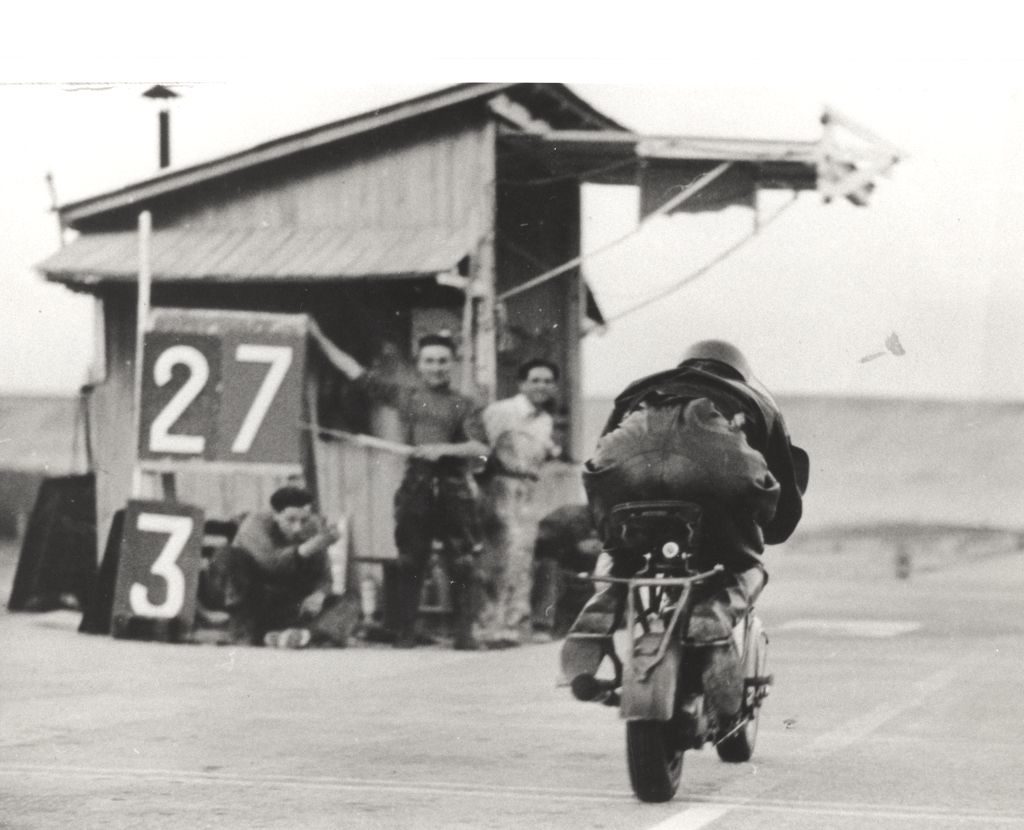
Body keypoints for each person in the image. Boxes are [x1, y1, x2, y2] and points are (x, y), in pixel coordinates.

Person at [560, 340, 809, 718]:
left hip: (627, 479)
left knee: (623, 558)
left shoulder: (639, 388)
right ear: (739, 371)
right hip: (712, 485)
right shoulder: (757, 401)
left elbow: (604, 452)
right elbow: (781, 490)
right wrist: (764, 525)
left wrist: (612, 526)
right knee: (746, 569)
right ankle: (715, 614)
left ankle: (605, 602)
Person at [309, 321, 489, 649]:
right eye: (430, 361)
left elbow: (481, 448)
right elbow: (355, 373)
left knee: (461, 562)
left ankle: (464, 635)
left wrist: (443, 449)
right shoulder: (406, 397)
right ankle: (405, 633)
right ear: (419, 365)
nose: (436, 367)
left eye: (442, 361)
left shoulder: (465, 404)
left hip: (453, 488)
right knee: (410, 560)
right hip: (416, 485)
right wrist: (320, 337)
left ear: (452, 364)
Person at [475, 359, 561, 647]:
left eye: (547, 381)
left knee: (522, 558)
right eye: (535, 380)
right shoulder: (500, 412)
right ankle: (490, 625)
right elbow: (481, 451)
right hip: (499, 488)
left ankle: (513, 625)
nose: (541, 386)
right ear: (522, 383)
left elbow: (536, 454)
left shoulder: (545, 420)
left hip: (528, 492)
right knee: (497, 558)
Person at [204, 485, 348, 648]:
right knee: (227, 556)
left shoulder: (313, 526)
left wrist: (319, 594)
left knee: (349, 599)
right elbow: (272, 562)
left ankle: (303, 636)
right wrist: (311, 546)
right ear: (275, 515)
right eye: (291, 520)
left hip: (291, 600)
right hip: (255, 599)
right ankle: (246, 632)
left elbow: (325, 574)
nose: (298, 527)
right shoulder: (255, 524)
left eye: (304, 520)